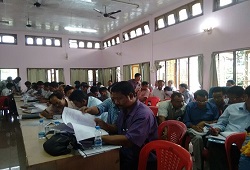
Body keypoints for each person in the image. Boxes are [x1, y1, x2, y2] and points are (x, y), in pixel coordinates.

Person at [100, 81, 158, 170]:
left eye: (118, 99)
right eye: (113, 99)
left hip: (141, 158)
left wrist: (99, 138)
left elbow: (129, 141)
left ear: (131, 96)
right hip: (126, 153)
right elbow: (119, 129)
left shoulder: (143, 114)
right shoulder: (125, 108)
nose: (116, 102)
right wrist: (104, 125)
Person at [208, 86, 250, 170]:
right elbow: (221, 123)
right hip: (226, 140)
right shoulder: (231, 108)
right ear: (245, 97)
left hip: (246, 143)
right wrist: (217, 129)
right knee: (213, 145)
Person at [183, 89, 219, 170]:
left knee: (214, 140)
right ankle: (199, 167)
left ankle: (212, 164)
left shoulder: (212, 106)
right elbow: (186, 121)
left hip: (208, 128)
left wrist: (205, 123)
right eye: (199, 101)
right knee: (198, 139)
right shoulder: (190, 106)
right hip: (193, 128)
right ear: (195, 99)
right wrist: (194, 126)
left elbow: (217, 120)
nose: (202, 103)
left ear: (207, 99)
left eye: (204, 101)